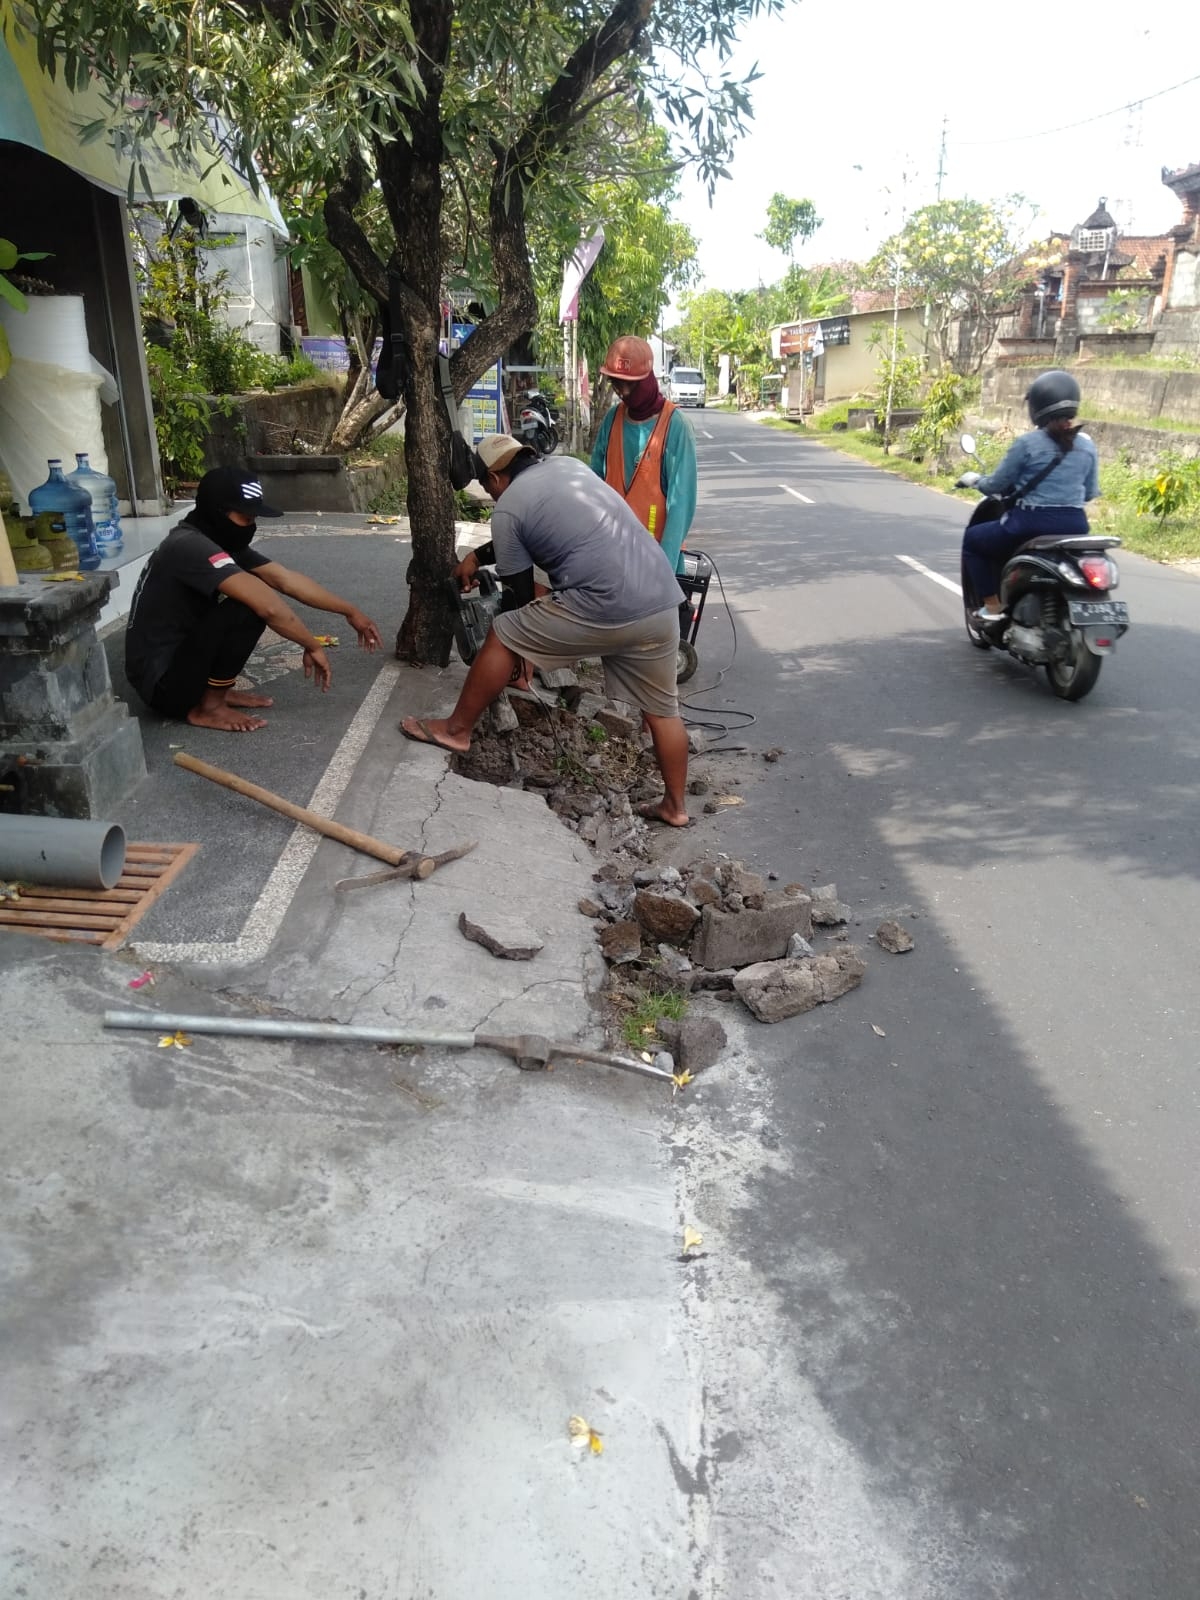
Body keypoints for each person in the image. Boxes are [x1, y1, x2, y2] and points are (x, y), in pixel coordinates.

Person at [400, 434, 691, 828]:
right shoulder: (569, 468)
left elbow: (519, 597)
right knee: (662, 712)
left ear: (497, 478)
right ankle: (675, 807)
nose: (490, 494)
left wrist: (521, 661)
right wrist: (477, 557)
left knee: (504, 631)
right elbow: (538, 533)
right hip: (659, 598)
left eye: (487, 485)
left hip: (606, 602)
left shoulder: (509, 508)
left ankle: (456, 730)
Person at [124, 466, 382, 732]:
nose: (251, 526)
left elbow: (285, 579)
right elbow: (268, 606)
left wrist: (349, 611)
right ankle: (208, 708)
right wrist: (311, 645)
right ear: (216, 512)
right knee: (247, 606)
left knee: (250, 595)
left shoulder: (213, 538)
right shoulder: (190, 545)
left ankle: (214, 693)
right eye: (245, 518)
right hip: (162, 687)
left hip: (175, 667)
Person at [958, 370, 1099, 622]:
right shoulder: (1087, 445)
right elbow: (1089, 492)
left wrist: (976, 480)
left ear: (1036, 407)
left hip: (1028, 525)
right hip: (1076, 527)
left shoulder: (1028, 444)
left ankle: (992, 606)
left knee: (973, 541)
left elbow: (997, 485)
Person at [590, 335, 698, 577]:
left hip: (657, 559)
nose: (622, 392)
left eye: (629, 384)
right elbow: (593, 483)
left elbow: (681, 505)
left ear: (646, 380)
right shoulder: (612, 420)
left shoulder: (676, 427)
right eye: (616, 383)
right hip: (612, 557)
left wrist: (663, 572)